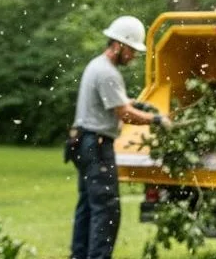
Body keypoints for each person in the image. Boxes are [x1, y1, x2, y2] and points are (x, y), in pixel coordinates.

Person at [69, 15, 171, 259]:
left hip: (83, 142)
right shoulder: (108, 73)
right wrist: (157, 120)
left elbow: (122, 103)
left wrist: (140, 105)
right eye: (131, 50)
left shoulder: (97, 66)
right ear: (118, 45)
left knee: (88, 206)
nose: (133, 56)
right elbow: (124, 114)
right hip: (97, 146)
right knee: (106, 209)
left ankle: (79, 255)